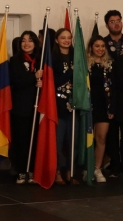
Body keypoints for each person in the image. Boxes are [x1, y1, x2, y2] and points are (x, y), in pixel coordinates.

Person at [9, 31, 42, 184]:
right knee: (21, 140)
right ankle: (21, 171)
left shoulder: (41, 60)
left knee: (35, 140)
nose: (26, 43)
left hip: (37, 107)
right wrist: (34, 77)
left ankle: (34, 170)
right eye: (23, 40)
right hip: (20, 107)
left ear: (35, 43)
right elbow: (16, 81)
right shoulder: (14, 60)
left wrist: (42, 83)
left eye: (30, 40)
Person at [87, 35, 116, 182]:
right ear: (91, 47)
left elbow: (114, 88)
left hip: (105, 107)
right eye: (97, 46)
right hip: (88, 106)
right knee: (87, 139)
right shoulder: (85, 64)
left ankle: (97, 169)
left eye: (102, 46)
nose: (100, 49)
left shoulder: (110, 64)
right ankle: (87, 168)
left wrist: (112, 108)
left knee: (101, 138)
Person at [53, 28, 79, 185]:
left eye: (69, 38)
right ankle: (56, 172)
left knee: (73, 141)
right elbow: (55, 81)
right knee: (57, 141)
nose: (66, 40)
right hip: (58, 105)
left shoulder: (76, 57)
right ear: (57, 40)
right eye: (63, 38)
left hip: (74, 104)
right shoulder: (53, 59)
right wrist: (70, 71)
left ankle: (70, 171)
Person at [103, 10, 123, 177]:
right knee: (111, 133)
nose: (116, 24)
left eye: (118, 20)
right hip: (110, 94)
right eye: (112, 21)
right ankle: (115, 165)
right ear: (107, 25)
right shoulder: (102, 43)